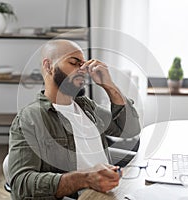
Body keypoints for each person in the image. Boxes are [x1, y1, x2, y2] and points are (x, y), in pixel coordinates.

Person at [8, 39, 141, 199]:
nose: (83, 70)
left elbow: (130, 129)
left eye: (84, 65)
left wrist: (109, 85)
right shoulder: (30, 118)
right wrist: (84, 179)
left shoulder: (87, 107)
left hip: (110, 193)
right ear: (48, 66)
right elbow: (20, 185)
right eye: (74, 63)